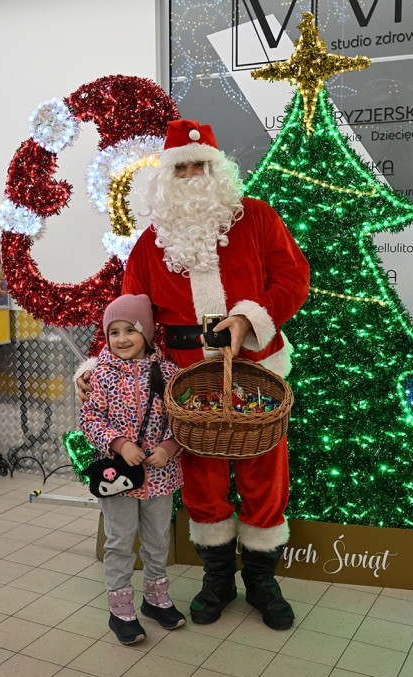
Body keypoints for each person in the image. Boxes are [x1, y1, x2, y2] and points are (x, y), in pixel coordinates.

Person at [78, 119, 310, 630]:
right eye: (179, 166)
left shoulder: (259, 219)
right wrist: (99, 363)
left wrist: (249, 317)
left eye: (198, 165)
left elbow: (294, 278)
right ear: (165, 176)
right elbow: (127, 316)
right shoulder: (148, 243)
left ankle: (263, 582)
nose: (189, 174)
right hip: (184, 377)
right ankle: (218, 580)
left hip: (253, 368)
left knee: (264, 471)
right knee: (202, 478)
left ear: (217, 169)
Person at [80, 294, 185, 645]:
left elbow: (182, 420)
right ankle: (120, 609)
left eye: (130, 330)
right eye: (114, 332)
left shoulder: (169, 374)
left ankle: (156, 599)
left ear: (148, 332)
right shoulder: (102, 375)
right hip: (117, 479)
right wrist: (118, 443)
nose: (121, 339)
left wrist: (170, 447)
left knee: (157, 541)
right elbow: (90, 418)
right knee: (120, 541)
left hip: (160, 477)